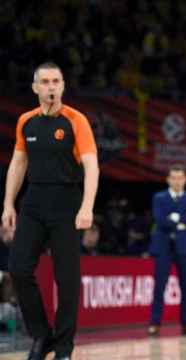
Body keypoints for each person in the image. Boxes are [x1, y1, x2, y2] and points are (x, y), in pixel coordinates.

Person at [2, 62, 99, 360]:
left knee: (67, 279)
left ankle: (64, 348)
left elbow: (91, 165)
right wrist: (8, 203)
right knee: (18, 268)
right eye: (44, 82)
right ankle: (41, 335)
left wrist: (87, 206)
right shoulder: (26, 122)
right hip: (33, 201)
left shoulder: (75, 120)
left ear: (62, 86)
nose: (51, 87)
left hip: (67, 202)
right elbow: (18, 163)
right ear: (35, 88)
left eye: (56, 81)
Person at [148, 164, 186, 336]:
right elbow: (159, 220)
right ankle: (155, 323)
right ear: (168, 180)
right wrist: (183, 220)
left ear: (185, 180)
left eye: (180, 178)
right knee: (159, 286)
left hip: (184, 248)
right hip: (163, 248)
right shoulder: (159, 197)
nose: (177, 181)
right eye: (174, 178)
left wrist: (175, 218)